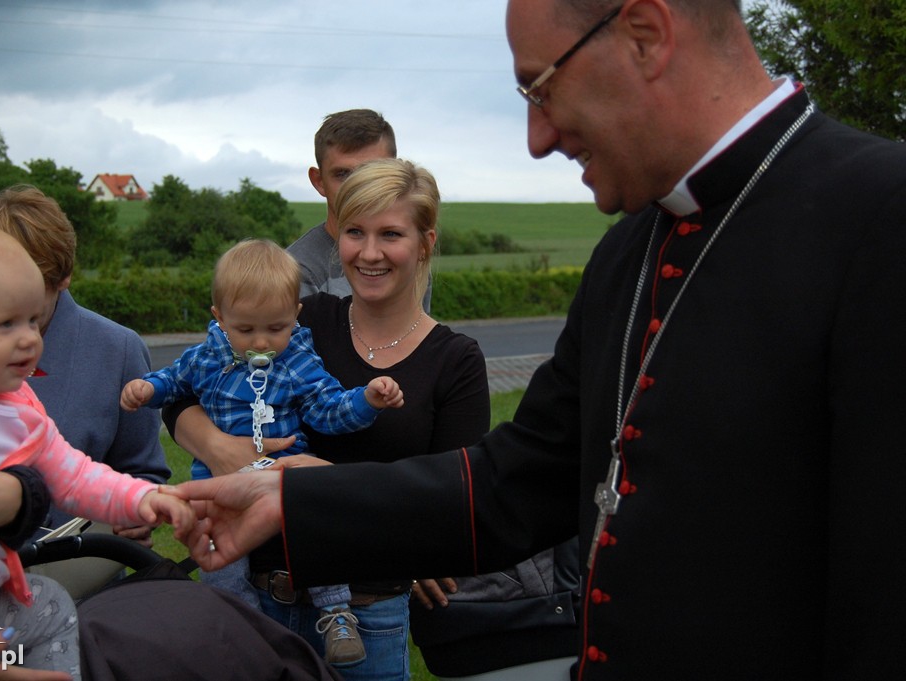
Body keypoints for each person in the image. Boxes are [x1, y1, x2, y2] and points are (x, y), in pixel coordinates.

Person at [175, 1, 906, 680]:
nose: (537, 139)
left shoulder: (880, 214)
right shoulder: (628, 253)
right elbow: (515, 482)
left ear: (646, 34)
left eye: (541, 89)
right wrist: (293, 501)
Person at [164, 158, 491, 681]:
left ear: (426, 242)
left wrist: (329, 485)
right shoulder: (302, 320)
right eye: (355, 231)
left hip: (366, 613)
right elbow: (183, 393)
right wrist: (219, 448)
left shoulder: (454, 360)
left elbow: (459, 502)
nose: (369, 252)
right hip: (257, 598)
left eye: (391, 234)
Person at [0, 218, 193, 679]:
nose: (30, 337)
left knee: (53, 607)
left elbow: (75, 475)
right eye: (5, 324)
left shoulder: (21, 412)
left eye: (32, 319)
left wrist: (142, 498)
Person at [120, 237, 405, 668]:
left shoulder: (296, 362)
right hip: (219, 485)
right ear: (219, 318)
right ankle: (242, 629)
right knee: (220, 561)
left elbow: (328, 410)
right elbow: (173, 381)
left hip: (283, 475)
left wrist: (367, 399)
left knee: (315, 527)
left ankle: (335, 612)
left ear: (295, 315)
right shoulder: (205, 358)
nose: (262, 342)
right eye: (245, 329)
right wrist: (147, 388)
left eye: (276, 328)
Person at [0, 185, 170, 545]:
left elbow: (142, 470)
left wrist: (138, 514)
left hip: (79, 580)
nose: (3, 308)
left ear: (62, 277)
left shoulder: (117, 349)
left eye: (26, 293)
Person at [287, 109, 433, 312]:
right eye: (343, 174)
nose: (359, 187)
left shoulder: (406, 258)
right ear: (319, 181)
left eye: (372, 171)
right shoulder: (294, 273)